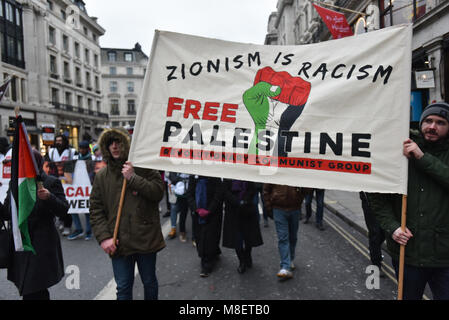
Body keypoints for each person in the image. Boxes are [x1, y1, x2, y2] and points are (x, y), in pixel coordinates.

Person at [369, 102, 449, 300]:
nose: (432, 126)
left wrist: (422, 158)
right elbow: (377, 195)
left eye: (441, 122)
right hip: (408, 253)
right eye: (428, 120)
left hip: (444, 257)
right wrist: (393, 227)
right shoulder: (399, 149)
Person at [89, 128, 165, 300]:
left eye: (118, 142)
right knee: (123, 287)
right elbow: (95, 209)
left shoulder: (143, 168)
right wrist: (104, 238)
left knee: (149, 282)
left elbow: (158, 192)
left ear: (126, 145)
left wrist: (133, 178)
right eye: (110, 143)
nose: (114, 146)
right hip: (119, 241)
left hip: (145, 238)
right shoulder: (102, 176)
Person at [0, 149, 69, 300]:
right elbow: (6, 213)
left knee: (34, 289)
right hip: (22, 244)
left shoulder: (51, 182)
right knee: (31, 290)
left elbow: (64, 210)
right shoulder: (16, 183)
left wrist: (49, 197)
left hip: (41, 245)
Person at [264, 183, 306, 281]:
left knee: (293, 237)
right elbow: (266, 190)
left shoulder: (297, 170)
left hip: (294, 208)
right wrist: (269, 207)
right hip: (278, 208)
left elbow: (307, 190)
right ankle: (285, 267)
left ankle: (290, 259)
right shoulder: (274, 169)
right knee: (283, 238)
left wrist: (302, 191)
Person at [223, 179, 263, 274]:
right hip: (233, 211)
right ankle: (241, 261)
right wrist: (236, 202)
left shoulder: (246, 173)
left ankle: (247, 254)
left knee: (249, 236)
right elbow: (225, 191)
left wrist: (245, 200)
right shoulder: (227, 175)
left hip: (248, 209)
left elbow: (252, 189)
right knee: (237, 238)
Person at [186, 175, 223, 277]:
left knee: (211, 237)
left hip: (213, 213)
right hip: (198, 214)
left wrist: (209, 210)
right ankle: (205, 263)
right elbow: (189, 194)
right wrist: (196, 209)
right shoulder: (193, 176)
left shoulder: (215, 176)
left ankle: (210, 258)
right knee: (201, 237)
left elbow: (218, 194)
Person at [47, 134, 76, 236]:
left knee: (68, 202)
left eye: (60, 140)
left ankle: (68, 224)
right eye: (57, 140)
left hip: (68, 181)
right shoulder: (51, 152)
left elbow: (76, 164)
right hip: (55, 181)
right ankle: (61, 219)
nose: (58, 142)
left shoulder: (71, 152)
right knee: (58, 201)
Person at [67, 140, 93, 241]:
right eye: (80, 148)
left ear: (87, 149)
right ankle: (79, 229)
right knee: (73, 208)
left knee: (87, 210)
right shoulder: (75, 158)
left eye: (83, 148)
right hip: (76, 187)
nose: (82, 150)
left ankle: (88, 231)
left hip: (87, 186)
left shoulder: (92, 159)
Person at [359, 191, 386, 277]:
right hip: (369, 201)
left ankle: (373, 249)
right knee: (375, 233)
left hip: (383, 202)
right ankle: (376, 264)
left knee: (384, 232)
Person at [166, 172, 190, 242]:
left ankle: (183, 231)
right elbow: (168, 173)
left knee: (185, 210)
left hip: (186, 186)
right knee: (173, 207)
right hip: (174, 185)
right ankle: (173, 228)